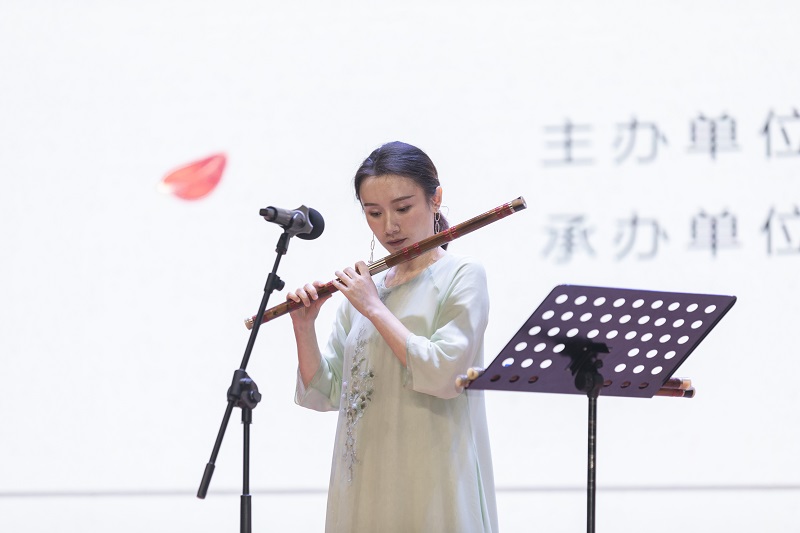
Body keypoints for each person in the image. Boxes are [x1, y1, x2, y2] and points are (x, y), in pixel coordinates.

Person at [289, 141, 498, 533]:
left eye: (403, 208)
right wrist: (304, 326)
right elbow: (326, 393)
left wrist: (373, 307)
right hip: (364, 477)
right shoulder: (364, 290)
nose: (389, 226)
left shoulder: (462, 274)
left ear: (436, 198)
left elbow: (445, 374)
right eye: (374, 213)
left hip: (430, 473)